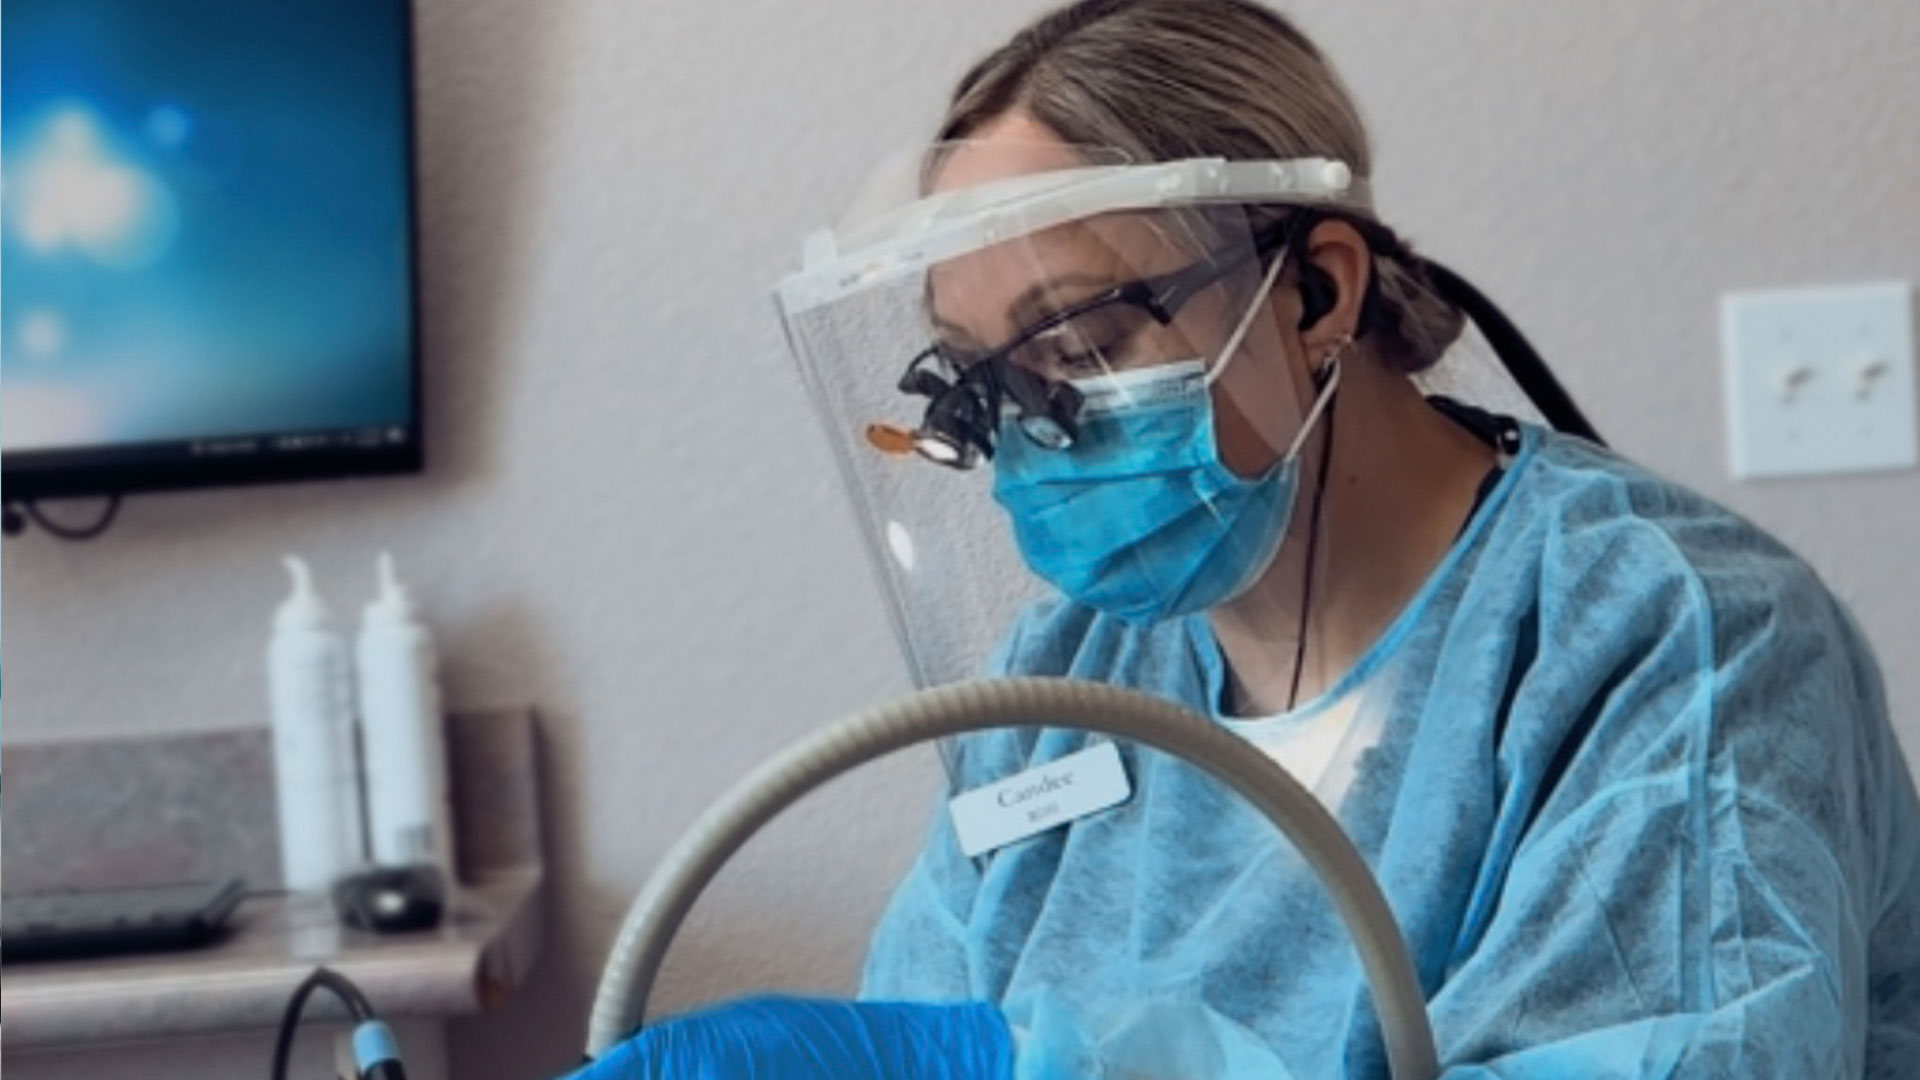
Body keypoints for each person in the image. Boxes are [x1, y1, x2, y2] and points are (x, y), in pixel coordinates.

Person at [573, 1, 1920, 1076]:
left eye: (1081, 343)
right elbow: (938, 1015)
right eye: (983, 381)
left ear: (1318, 291)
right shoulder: (1067, 676)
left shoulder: (1669, 638)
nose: (1036, 431)